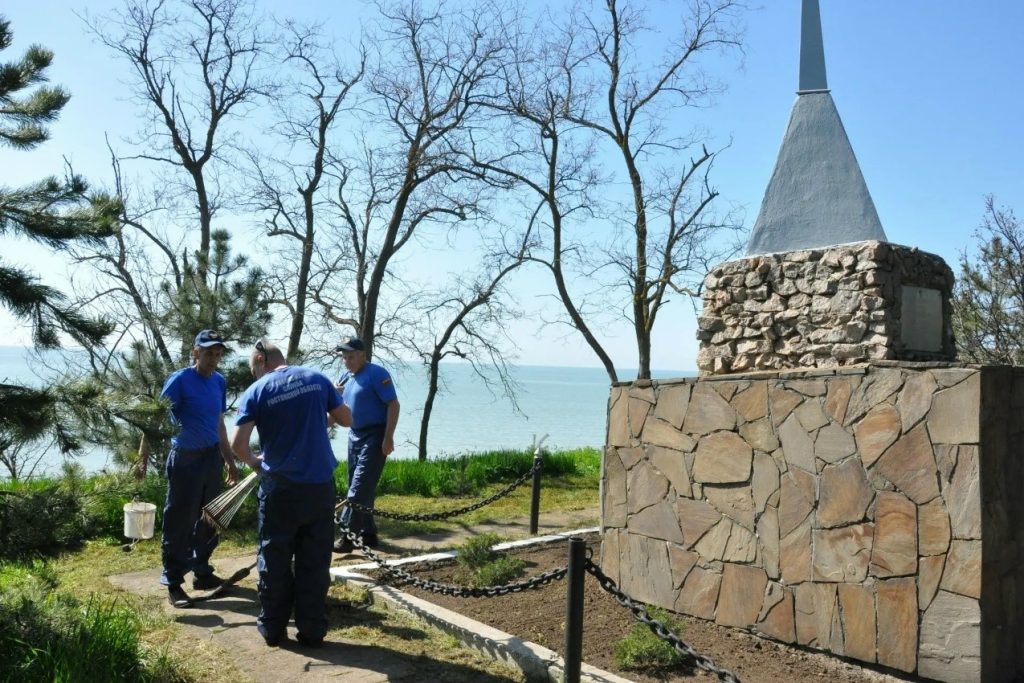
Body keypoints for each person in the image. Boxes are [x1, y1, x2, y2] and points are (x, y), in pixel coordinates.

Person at [231, 339, 351, 647]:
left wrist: (256, 464)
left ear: (260, 360)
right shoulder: (317, 379)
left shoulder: (257, 391)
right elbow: (346, 420)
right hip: (318, 488)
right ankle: (312, 631)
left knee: (275, 557)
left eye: (252, 368)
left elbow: (238, 446)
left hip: (280, 489)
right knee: (314, 560)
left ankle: (273, 629)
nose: (253, 374)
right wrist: (334, 399)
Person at [159, 329, 239, 608]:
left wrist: (228, 459)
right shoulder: (180, 380)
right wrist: (143, 457)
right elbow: (156, 416)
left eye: (217, 354)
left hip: (210, 458)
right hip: (185, 458)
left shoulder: (218, 381)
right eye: (208, 353)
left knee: (210, 518)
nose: (213, 359)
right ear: (195, 352)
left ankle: (202, 571)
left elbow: (219, 423)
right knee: (179, 520)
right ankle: (173, 581)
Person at [333, 336, 400, 552]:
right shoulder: (346, 377)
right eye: (344, 357)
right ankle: (368, 533)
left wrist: (388, 437)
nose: (347, 361)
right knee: (360, 484)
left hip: (375, 434)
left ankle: (347, 536)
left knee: (359, 487)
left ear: (363, 355)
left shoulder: (377, 374)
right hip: (355, 435)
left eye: (351, 356)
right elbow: (338, 410)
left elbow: (393, 404)